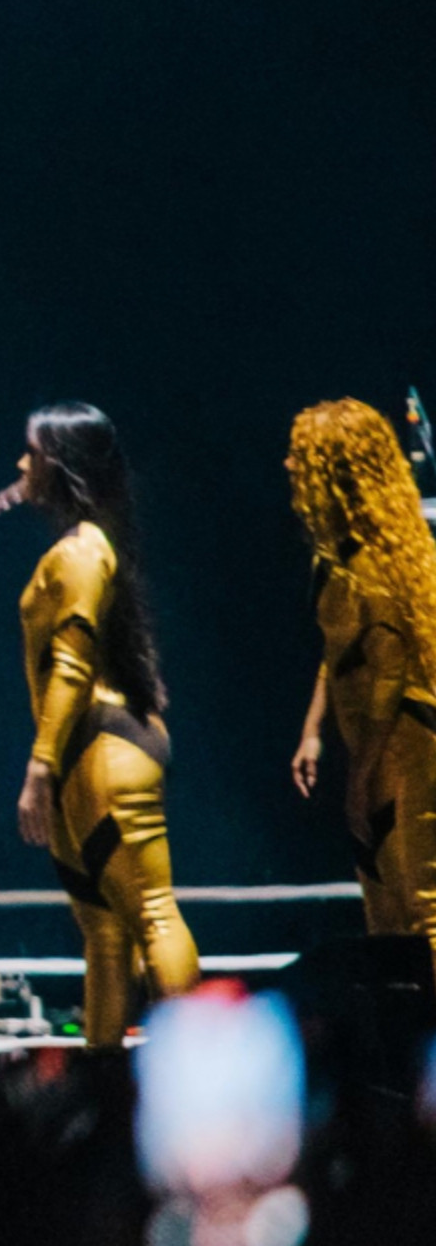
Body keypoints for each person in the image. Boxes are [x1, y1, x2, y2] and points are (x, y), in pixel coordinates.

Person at [5, 403, 197, 1048]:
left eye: (30, 452)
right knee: (105, 931)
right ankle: (104, 1076)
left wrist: (40, 765)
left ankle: (196, 1062)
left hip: (99, 747)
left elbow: (72, 661)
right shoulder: (86, 546)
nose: (20, 465)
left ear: (57, 463)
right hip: (93, 752)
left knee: (147, 913)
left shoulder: (83, 550)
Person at [283, 400, 436, 948]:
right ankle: (402, 1028)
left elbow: (389, 672)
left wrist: (362, 774)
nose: (289, 466)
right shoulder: (339, 557)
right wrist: (313, 731)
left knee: (423, 904)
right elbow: (341, 650)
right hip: (375, 742)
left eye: (302, 456)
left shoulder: (373, 563)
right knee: (384, 899)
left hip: (405, 739)